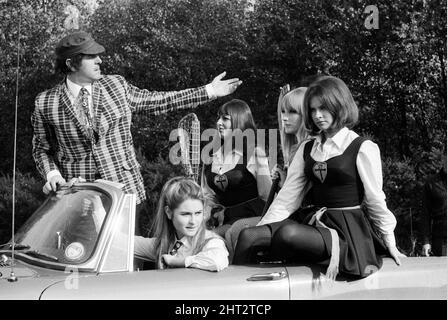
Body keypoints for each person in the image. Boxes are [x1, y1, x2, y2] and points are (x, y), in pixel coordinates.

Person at [32, 31, 242, 234]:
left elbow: (161, 100)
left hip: (125, 191)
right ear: (71, 63)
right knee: (81, 261)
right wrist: (53, 174)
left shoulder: (116, 85)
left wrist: (210, 90)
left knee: (127, 259)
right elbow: (41, 148)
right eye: (91, 56)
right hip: (80, 198)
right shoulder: (45, 102)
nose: (100, 61)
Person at [233, 76, 404, 280]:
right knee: (249, 235)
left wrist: (390, 242)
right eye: (313, 110)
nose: (317, 115)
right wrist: (264, 227)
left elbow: (375, 199)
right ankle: (236, 291)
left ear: (339, 105)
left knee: (288, 234)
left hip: (346, 232)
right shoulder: (307, 148)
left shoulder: (362, 147)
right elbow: (288, 197)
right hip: (313, 222)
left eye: (323, 108)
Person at [224, 86, 310, 261]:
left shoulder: (309, 149)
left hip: (300, 218)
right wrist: (283, 180)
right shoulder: (295, 148)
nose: (284, 118)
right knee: (235, 230)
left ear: (306, 115)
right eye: (283, 112)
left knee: (240, 230)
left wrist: (262, 225)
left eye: (292, 112)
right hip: (289, 213)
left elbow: (295, 197)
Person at [200, 99, 272, 240]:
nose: (219, 123)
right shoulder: (210, 156)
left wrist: (228, 213)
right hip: (221, 223)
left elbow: (266, 199)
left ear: (240, 122)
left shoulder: (256, 153)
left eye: (225, 119)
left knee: (210, 239)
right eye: (218, 118)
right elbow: (209, 196)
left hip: (247, 223)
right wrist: (208, 211)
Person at [134, 177, 229, 271]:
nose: (193, 221)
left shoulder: (210, 241)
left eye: (198, 213)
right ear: (169, 212)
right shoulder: (166, 243)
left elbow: (217, 262)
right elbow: (128, 243)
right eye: (185, 214)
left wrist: (177, 261)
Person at [420, 151, 447, 256]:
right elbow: (425, 214)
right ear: (444, 157)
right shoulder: (431, 183)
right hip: (441, 242)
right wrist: (426, 241)